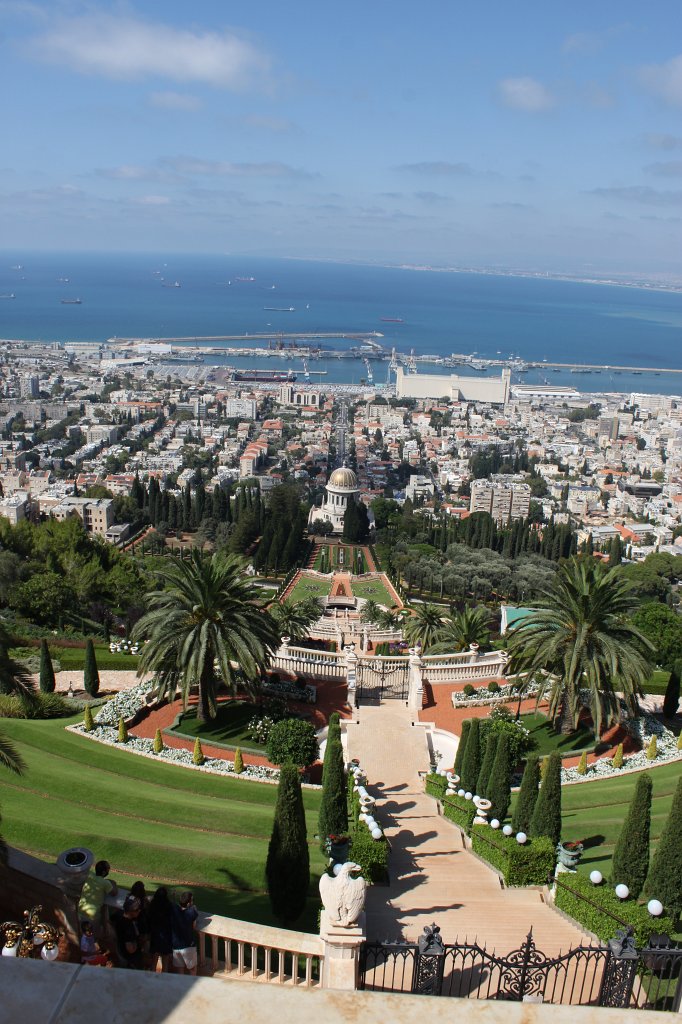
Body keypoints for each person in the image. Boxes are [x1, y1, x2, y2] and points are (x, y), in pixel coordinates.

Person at [78, 860, 118, 944]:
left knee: (84, 931)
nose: (108, 872)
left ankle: (84, 945)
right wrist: (113, 882)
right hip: (93, 915)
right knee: (93, 934)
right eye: (107, 870)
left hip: (81, 909)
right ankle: (91, 949)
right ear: (104, 872)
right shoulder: (105, 883)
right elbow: (114, 893)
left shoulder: (89, 874)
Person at [112, 895, 144, 970]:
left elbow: (111, 920)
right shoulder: (128, 927)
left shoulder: (119, 915)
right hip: (131, 961)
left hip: (121, 953)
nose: (139, 911)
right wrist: (138, 943)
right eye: (137, 909)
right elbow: (130, 949)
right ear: (130, 911)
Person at [171, 891, 199, 975]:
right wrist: (194, 908)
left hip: (176, 946)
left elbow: (174, 905)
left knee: (180, 971)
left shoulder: (174, 911)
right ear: (188, 903)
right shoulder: (191, 912)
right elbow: (194, 926)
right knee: (192, 970)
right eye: (192, 900)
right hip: (188, 946)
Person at [148, 887, 173, 973]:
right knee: (165, 961)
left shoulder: (153, 905)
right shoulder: (169, 905)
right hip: (165, 935)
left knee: (154, 961)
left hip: (155, 934)